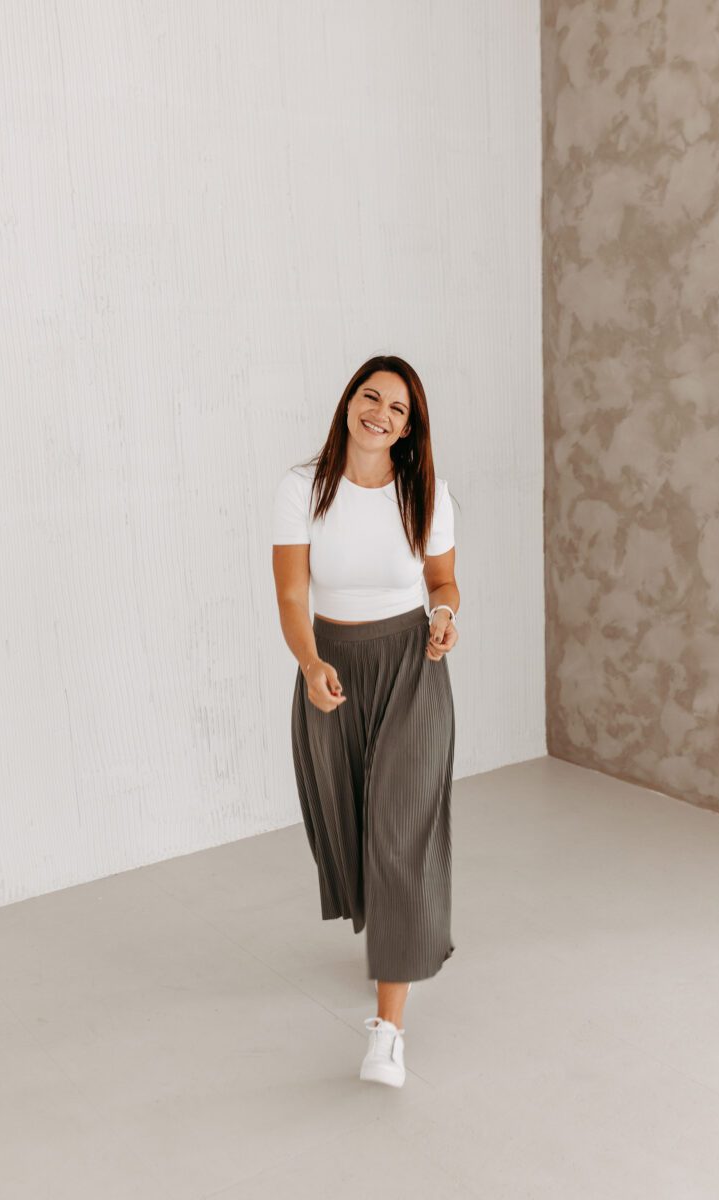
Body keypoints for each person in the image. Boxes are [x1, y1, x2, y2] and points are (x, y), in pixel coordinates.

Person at [271, 354, 459, 1088]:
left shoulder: (427, 492)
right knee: (354, 832)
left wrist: (443, 615)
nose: (381, 413)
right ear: (349, 401)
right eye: (371, 397)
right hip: (334, 669)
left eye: (398, 409)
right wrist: (309, 663)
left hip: (413, 671)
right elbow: (293, 595)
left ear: (409, 429)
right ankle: (399, 938)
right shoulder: (302, 488)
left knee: (400, 834)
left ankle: (388, 1032)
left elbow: (442, 580)